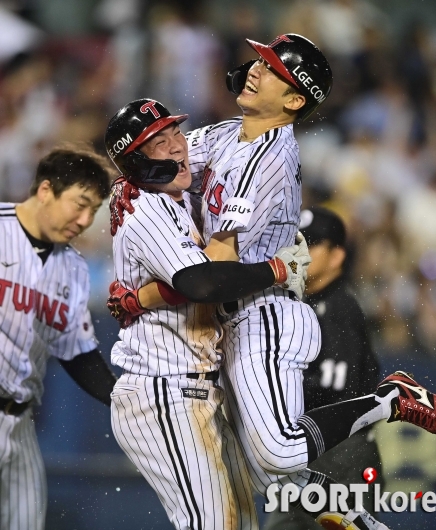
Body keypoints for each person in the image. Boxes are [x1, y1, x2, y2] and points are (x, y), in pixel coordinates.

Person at [108, 34, 436, 530]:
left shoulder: (268, 159)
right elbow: (161, 162)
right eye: (260, 60)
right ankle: (361, 521)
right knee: (269, 475)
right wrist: (126, 179)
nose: (255, 69)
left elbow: (213, 269)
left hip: (262, 312)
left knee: (279, 453)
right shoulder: (231, 133)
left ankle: (391, 398)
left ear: (294, 100)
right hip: (231, 319)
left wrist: (143, 293)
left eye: (272, 69)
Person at [104, 99, 311, 530]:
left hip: (195, 388)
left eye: (175, 132)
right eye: (158, 142)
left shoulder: (180, 195)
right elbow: (202, 283)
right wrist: (275, 269)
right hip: (163, 390)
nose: (177, 145)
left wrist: (139, 298)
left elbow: (189, 282)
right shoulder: (146, 205)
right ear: (136, 161)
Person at [0, 145, 118, 530]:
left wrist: (123, 400)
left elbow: (78, 355)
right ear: (46, 190)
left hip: (20, 426)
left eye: (94, 210)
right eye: (79, 203)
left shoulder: (73, 269)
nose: (85, 220)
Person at [263, 205, 385, 530]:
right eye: (298, 242)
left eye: (314, 244)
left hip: (342, 450)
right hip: (308, 447)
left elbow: (336, 390)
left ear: (336, 256)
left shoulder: (340, 307)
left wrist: (270, 389)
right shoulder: (298, 302)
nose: (302, 251)